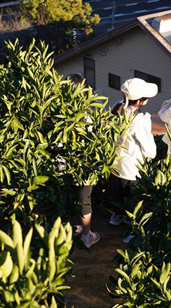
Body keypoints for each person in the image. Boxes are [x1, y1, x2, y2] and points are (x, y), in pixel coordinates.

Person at [109, 77, 158, 227]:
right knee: (133, 201)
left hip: (115, 163)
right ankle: (131, 231)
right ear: (139, 101)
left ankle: (116, 218)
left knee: (116, 194)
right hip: (132, 167)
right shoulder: (141, 119)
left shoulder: (117, 107)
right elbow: (148, 147)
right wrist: (151, 155)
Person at [67, 73, 100, 248]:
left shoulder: (61, 113)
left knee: (71, 198)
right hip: (84, 167)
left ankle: (74, 228)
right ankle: (87, 236)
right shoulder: (87, 117)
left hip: (64, 166)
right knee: (84, 199)